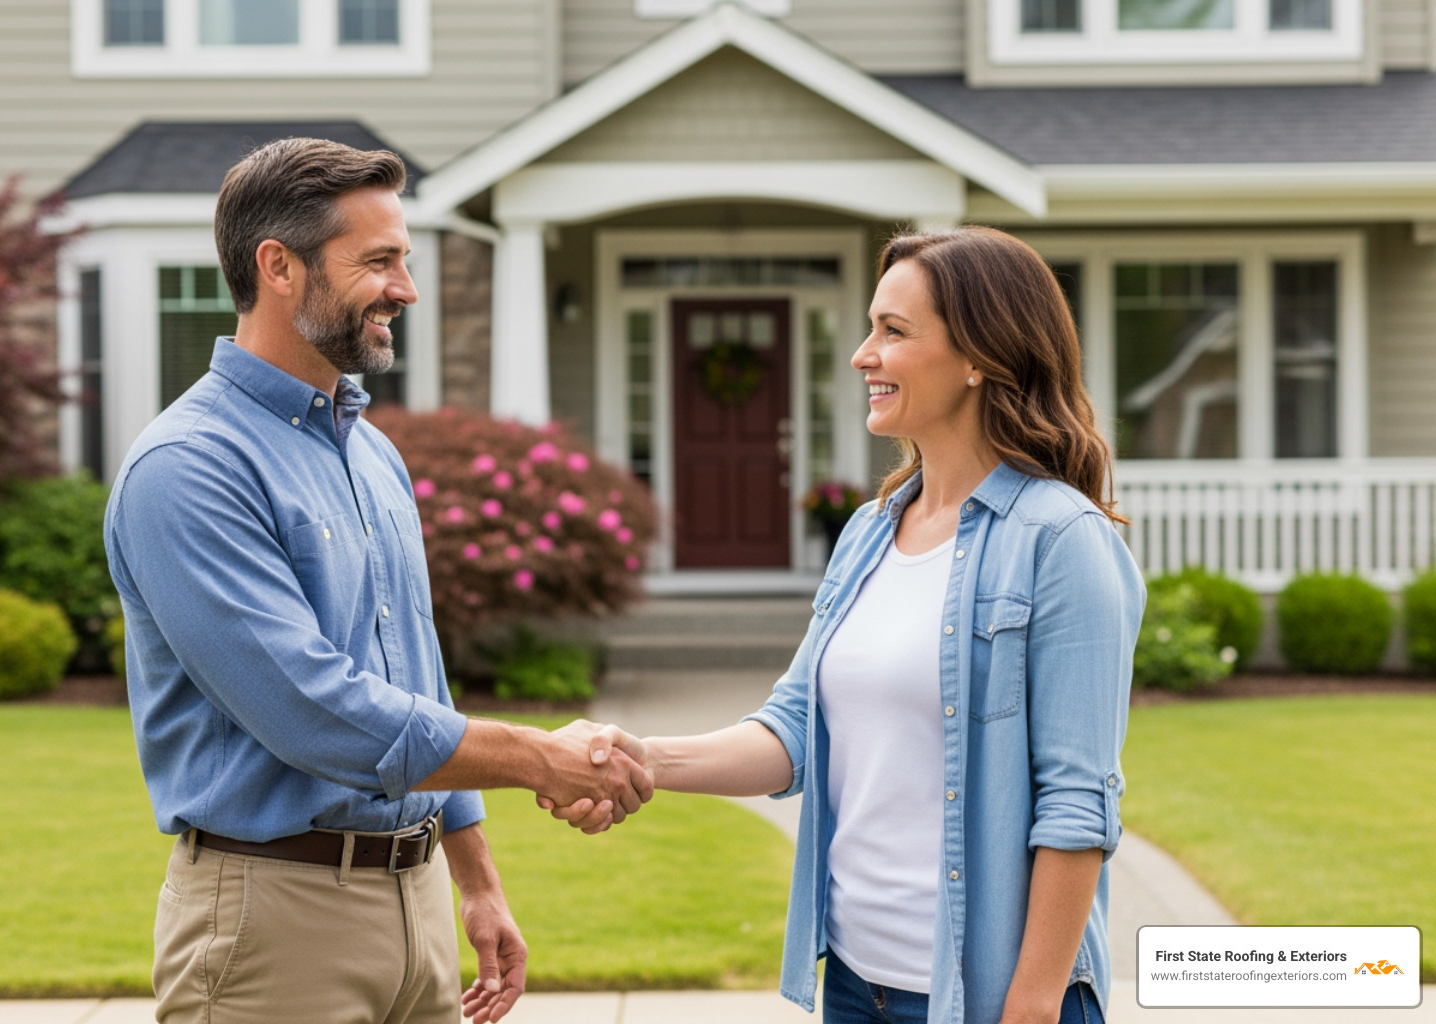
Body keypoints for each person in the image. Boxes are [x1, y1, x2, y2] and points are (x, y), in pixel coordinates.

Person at [104, 137, 650, 1024]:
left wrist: (476, 879)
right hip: (273, 922)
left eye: (405, 258)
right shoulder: (189, 467)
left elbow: (414, 675)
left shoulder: (372, 451)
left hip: (420, 899)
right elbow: (308, 707)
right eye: (380, 261)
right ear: (278, 267)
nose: (407, 287)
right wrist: (537, 757)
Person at [551, 228, 1145, 1024]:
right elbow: (796, 729)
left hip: (986, 999)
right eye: (871, 327)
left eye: (893, 332)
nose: (864, 354)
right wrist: (637, 757)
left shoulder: (1062, 541)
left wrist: (1030, 1008)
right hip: (857, 983)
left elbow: (1077, 804)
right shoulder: (870, 530)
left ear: (980, 357)